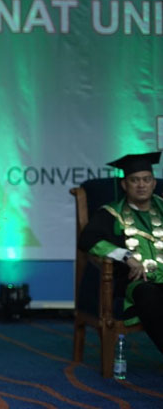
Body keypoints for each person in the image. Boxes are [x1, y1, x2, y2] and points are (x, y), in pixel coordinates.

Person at [78, 151, 163, 354]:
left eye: (146, 179)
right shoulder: (111, 213)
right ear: (124, 185)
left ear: (153, 183)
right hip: (137, 283)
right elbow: (88, 239)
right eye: (135, 180)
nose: (141, 185)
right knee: (148, 294)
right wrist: (126, 256)